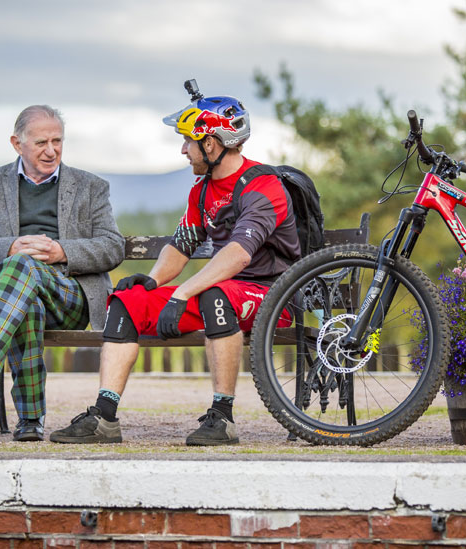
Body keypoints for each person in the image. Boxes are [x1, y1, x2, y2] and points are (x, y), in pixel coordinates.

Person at [49, 84, 299, 446]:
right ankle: (104, 417)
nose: (183, 149)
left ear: (210, 144)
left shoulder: (263, 185)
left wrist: (183, 292)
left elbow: (239, 254)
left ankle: (222, 418)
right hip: (221, 293)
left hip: (273, 298)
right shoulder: (201, 190)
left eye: (188, 141)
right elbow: (181, 246)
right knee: (128, 299)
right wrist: (151, 283)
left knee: (215, 294)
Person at [0, 105, 125, 442]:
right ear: (17, 144)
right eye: (41, 143)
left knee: (22, 270)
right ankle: (30, 421)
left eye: (57, 141)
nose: (52, 150)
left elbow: (113, 246)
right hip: (16, 298)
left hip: (70, 295)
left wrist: (62, 251)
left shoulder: (91, 187)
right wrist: (10, 247)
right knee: (23, 288)